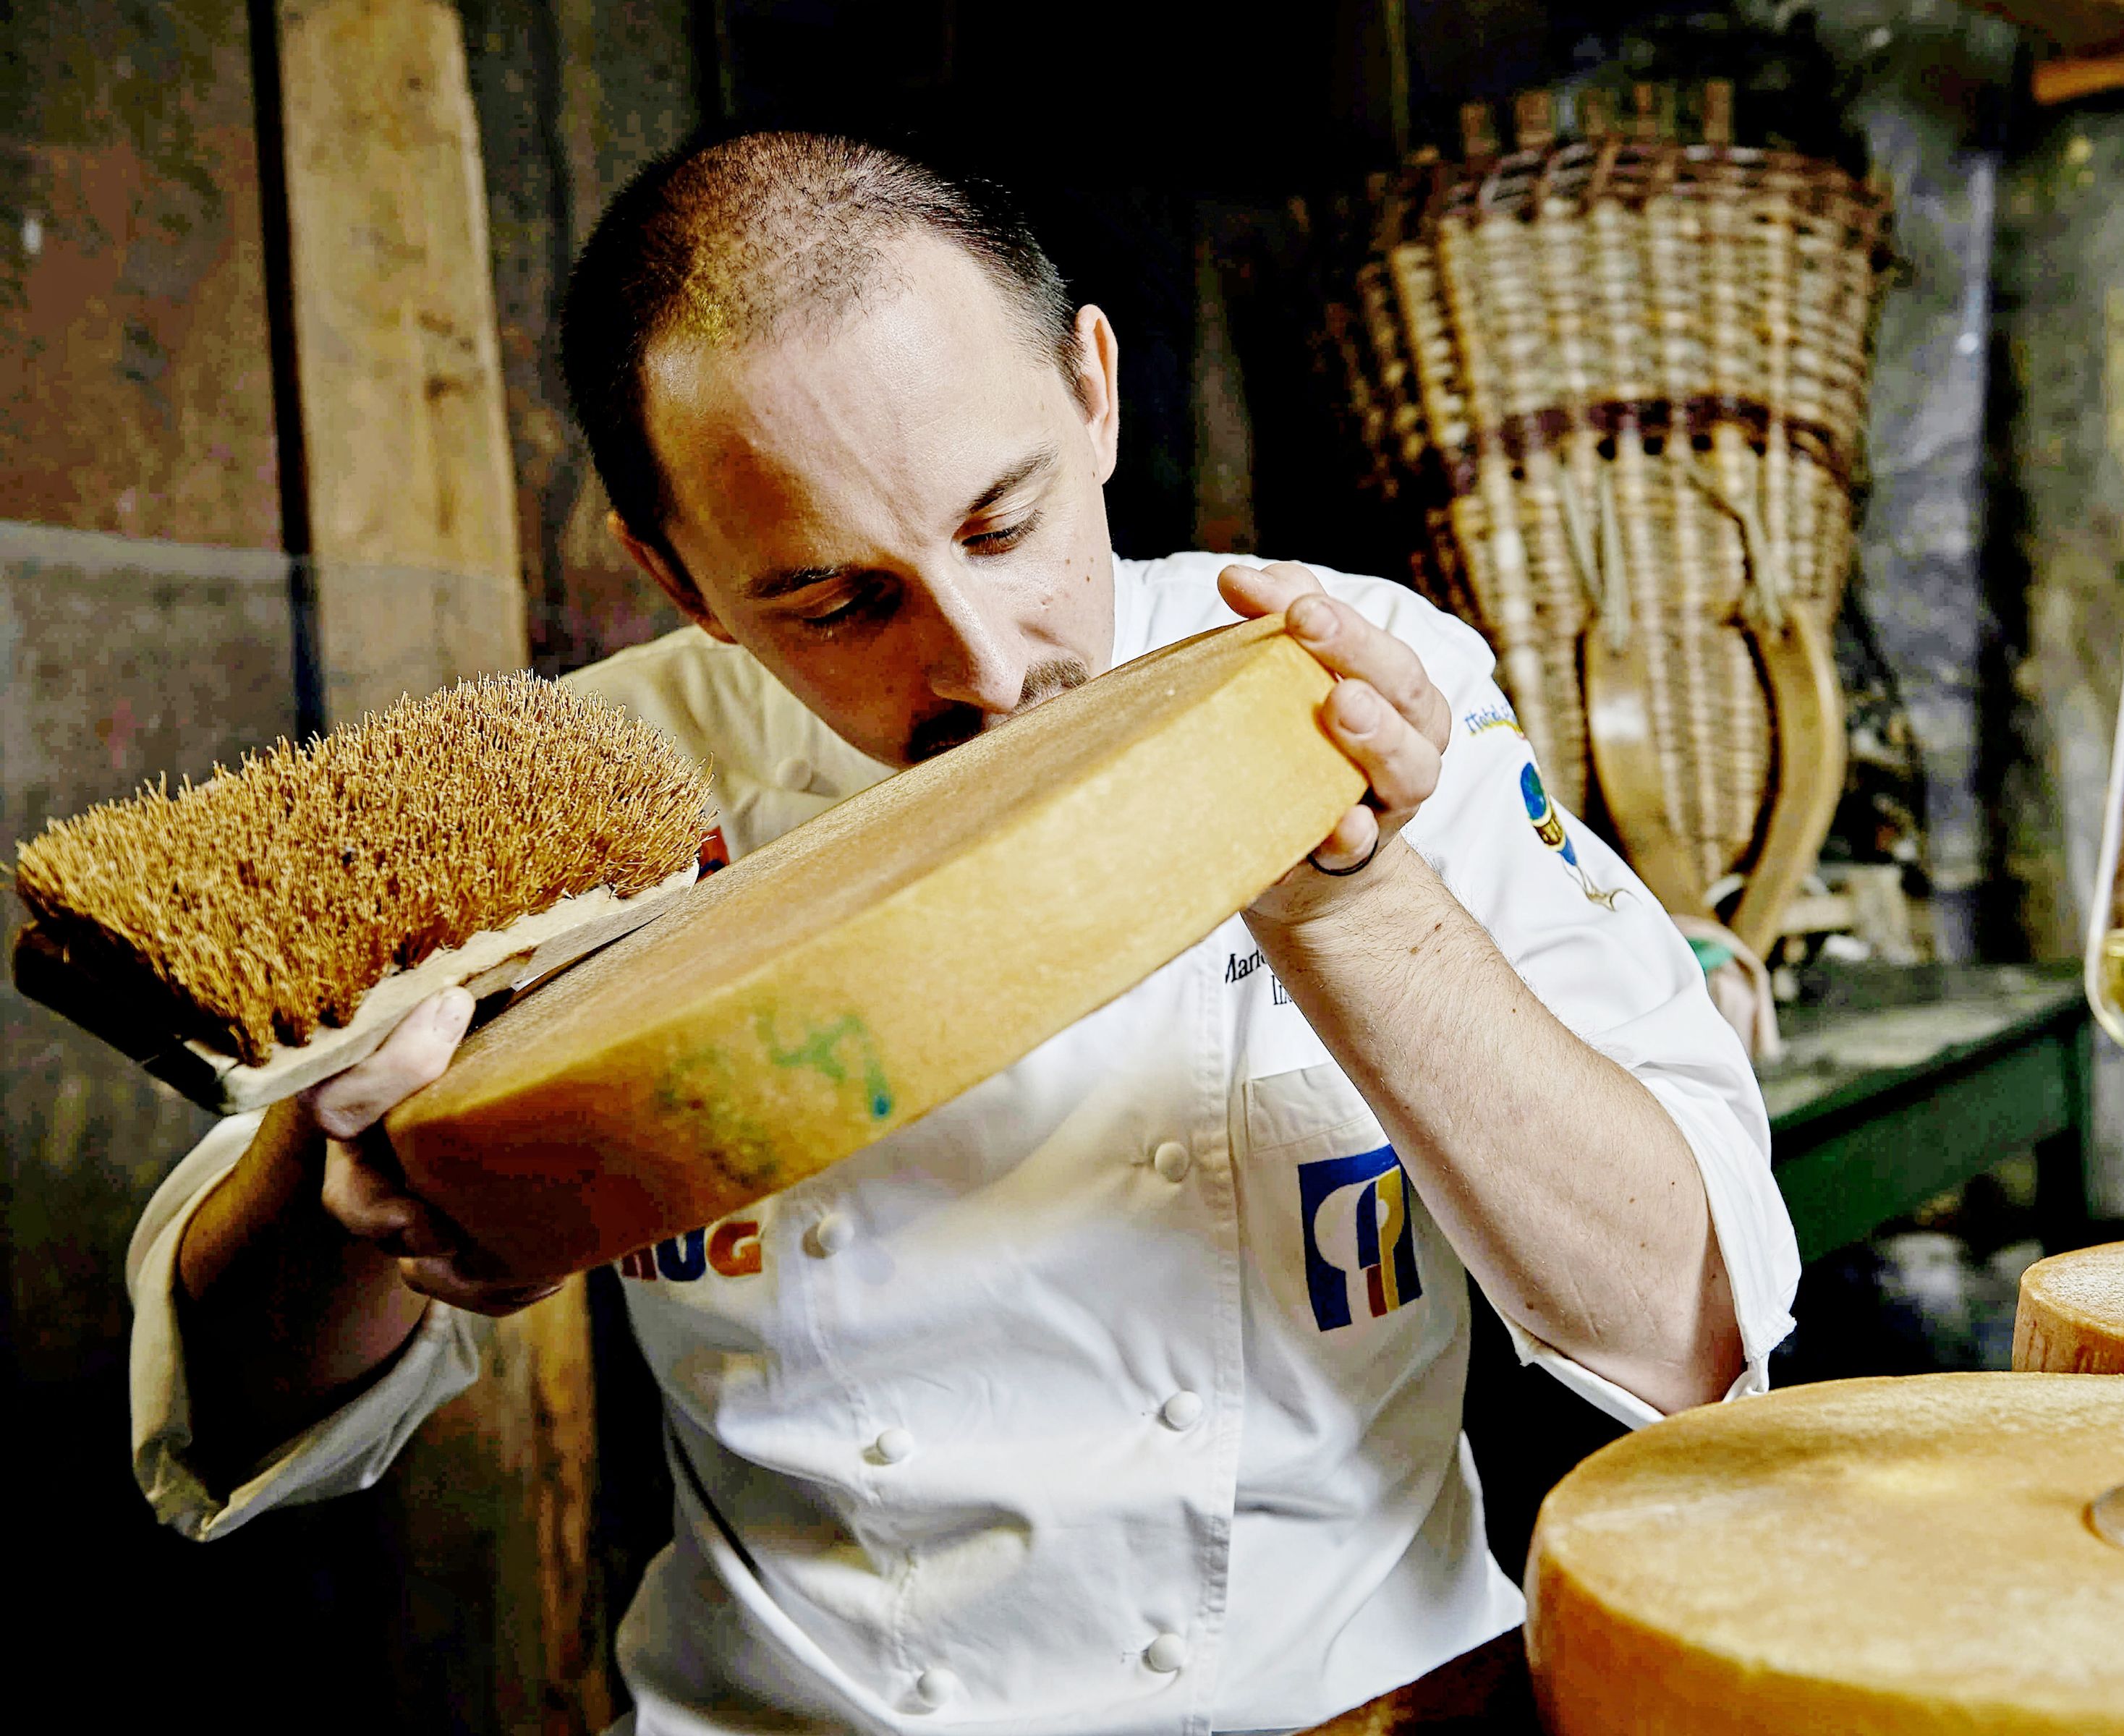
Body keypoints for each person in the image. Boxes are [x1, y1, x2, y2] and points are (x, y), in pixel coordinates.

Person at [127, 128, 1798, 1735]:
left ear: (1093, 390)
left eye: (1004, 525)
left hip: (1359, 1711)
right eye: (838, 600)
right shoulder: (586, 792)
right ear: (679, 576)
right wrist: (338, 1171)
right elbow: (233, 1427)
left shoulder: (1349, 676)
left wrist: (1346, 899)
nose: (987, 665)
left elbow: (1690, 1325)